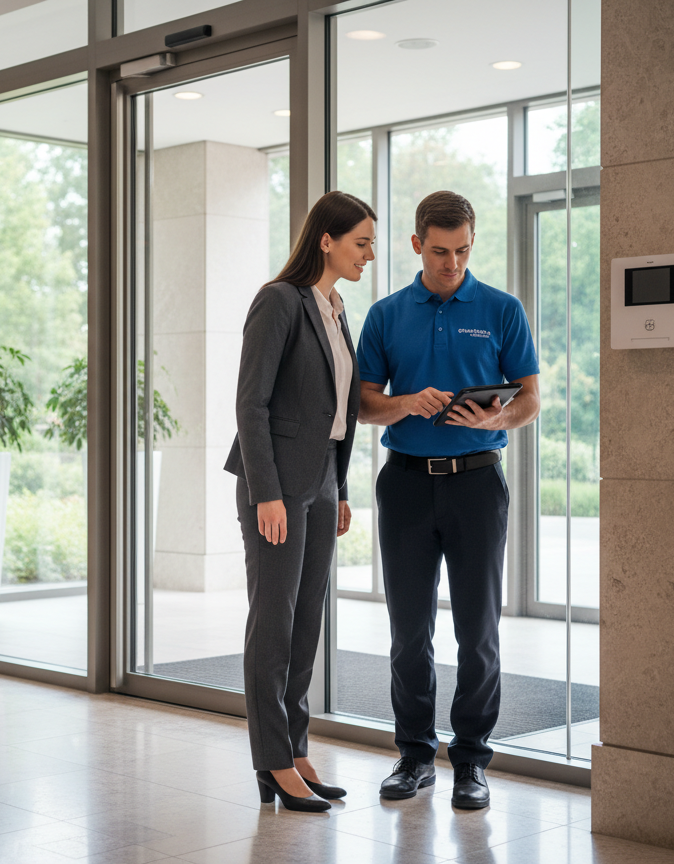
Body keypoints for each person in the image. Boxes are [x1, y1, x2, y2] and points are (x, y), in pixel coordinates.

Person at [356, 190, 540, 810]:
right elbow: (362, 402)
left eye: (462, 251)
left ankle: (470, 762)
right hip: (405, 481)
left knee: (478, 630)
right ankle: (413, 756)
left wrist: (491, 419)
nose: (452, 263)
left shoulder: (502, 309)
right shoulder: (384, 315)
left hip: (477, 482)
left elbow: (530, 401)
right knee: (409, 631)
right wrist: (409, 403)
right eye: (440, 252)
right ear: (416, 245)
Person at [224, 191, 372, 812]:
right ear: (326, 241)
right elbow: (251, 404)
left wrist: (338, 488)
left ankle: (297, 748)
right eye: (360, 242)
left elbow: (337, 412)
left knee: (307, 621)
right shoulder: (278, 301)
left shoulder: (336, 309)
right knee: (274, 623)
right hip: (276, 489)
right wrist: (267, 493)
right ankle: (273, 762)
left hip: (320, 486)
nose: (368, 255)